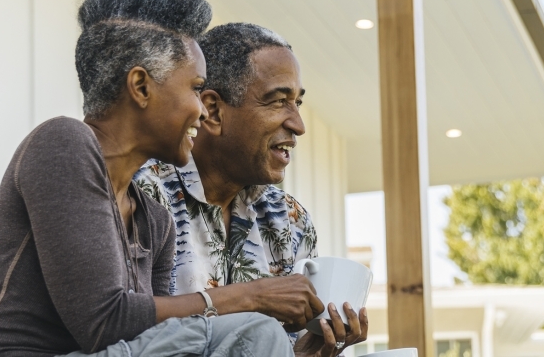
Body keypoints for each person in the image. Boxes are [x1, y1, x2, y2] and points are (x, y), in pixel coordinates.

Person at [0, 0, 323, 357]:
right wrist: (250, 298)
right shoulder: (62, 144)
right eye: (195, 88)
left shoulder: (154, 221)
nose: (200, 109)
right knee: (253, 330)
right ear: (141, 87)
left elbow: (159, 342)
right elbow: (104, 322)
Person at [134, 22, 369, 357]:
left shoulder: (290, 220)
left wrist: (306, 352)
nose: (297, 125)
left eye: (297, 103)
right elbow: (124, 330)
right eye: (277, 102)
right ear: (212, 111)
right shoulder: (143, 193)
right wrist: (251, 298)